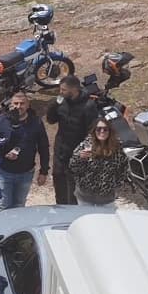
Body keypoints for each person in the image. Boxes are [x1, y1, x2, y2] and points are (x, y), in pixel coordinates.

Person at [46, 75, 100, 205]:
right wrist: (52, 106)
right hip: (60, 151)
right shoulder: (62, 102)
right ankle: (61, 210)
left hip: (77, 153)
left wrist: (87, 150)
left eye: (64, 90)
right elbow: (51, 120)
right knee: (59, 182)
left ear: (74, 90)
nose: (61, 92)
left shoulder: (88, 105)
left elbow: (92, 131)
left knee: (73, 191)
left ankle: (73, 216)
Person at [0, 91, 49, 210]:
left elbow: (43, 147)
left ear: (28, 105)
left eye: (22, 103)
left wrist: (44, 171)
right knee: (3, 206)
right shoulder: (1, 120)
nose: (19, 106)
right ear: (10, 104)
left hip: (26, 173)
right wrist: (3, 154)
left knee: (19, 205)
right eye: (16, 103)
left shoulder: (36, 122)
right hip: (4, 172)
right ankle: (1, 229)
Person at [68, 118, 129, 207]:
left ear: (110, 131)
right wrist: (80, 158)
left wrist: (114, 185)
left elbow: (124, 168)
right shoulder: (85, 145)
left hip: (107, 197)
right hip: (85, 196)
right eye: (99, 129)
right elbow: (73, 168)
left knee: (107, 220)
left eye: (105, 129)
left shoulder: (117, 148)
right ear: (94, 130)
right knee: (87, 220)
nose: (102, 131)